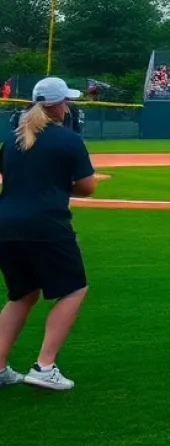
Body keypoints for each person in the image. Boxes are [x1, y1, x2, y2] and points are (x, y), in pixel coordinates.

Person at [0, 77, 97, 392]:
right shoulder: (67, 139)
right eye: (66, 101)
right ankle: (44, 365)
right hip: (46, 224)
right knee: (73, 289)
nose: (68, 105)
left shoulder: (13, 138)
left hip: (7, 224)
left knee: (22, 295)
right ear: (57, 105)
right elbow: (87, 186)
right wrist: (56, 184)